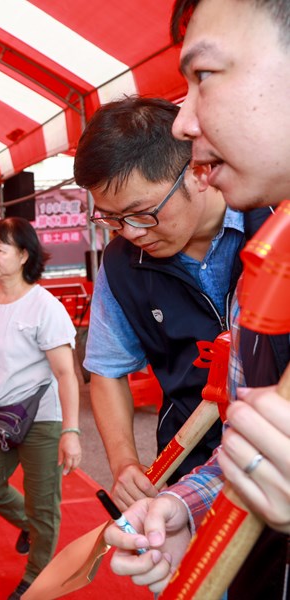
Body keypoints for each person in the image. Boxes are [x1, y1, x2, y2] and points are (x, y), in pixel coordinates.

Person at [103, 0, 290, 596]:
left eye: (203, 75)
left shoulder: (261, 238)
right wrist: (187, 505)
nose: (183, 122)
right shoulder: (268, 269)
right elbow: (247, 454)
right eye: (114, 222)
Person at [72, 96, 260, 510]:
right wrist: (123, 462)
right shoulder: (121, 266)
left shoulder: (268, 224)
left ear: (197, 172)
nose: (131, 233)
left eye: (141, 213)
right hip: (190, 464)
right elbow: (106, 370)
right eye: (111, 219)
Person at [0, 217, 81, 600]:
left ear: (24, 255)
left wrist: (71, 432)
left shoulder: (45, 307)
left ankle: (37, 576)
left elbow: (66, 373)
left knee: (44, 501)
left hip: (41, 417)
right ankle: (33, 526)